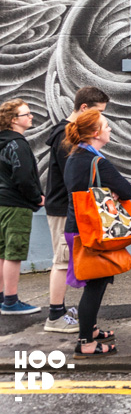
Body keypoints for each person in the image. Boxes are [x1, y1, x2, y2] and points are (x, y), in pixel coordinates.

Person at [62, 109, 131, 357]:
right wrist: (114, 192)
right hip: (91, 232)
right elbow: (127, 190)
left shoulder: (74, 157)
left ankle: (90, 330)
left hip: (76, 228)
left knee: (96, 281)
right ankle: (86, 343)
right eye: (106, 126)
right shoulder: (97, 162)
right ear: (95, 133)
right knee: (96, 284)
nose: (110, 129)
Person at [44, 86, 108, 332]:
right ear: (84, 108)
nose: (101, 119)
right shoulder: (65, 138)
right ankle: (55, 316)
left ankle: (61, 313)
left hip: (65, 207)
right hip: (63, 209)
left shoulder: (66, 134)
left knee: (64, 260)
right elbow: (74, 178)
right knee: (61, 261)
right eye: (98, 112)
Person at [0, 99, 45, 315]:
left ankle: (2, 297)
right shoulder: (18, 144)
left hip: (1, 204)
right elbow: (24, 177)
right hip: (16, 205)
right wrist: (37, 197)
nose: (31, 117)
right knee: (13, 253)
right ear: (13, 120)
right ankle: (10, 301)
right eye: (26, 114)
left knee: (1, 252)